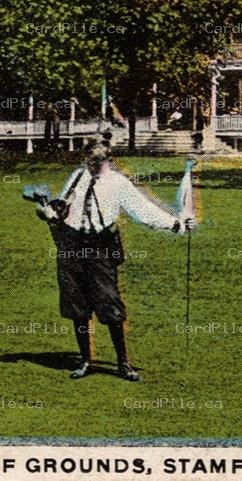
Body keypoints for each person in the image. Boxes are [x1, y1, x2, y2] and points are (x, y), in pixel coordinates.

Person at [41, 138, 194, 382]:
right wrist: (53, 210)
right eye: (89, 160)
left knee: (109, 304)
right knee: (77, 305)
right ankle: (85, 360)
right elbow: (66, 203)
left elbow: (142, 210)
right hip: (72, 245)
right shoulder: (78, 176)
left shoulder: (118, 183)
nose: (91, 165)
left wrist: (175, 224)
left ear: (106, 160)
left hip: (101, 247)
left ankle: (124, 363)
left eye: (95, 161)